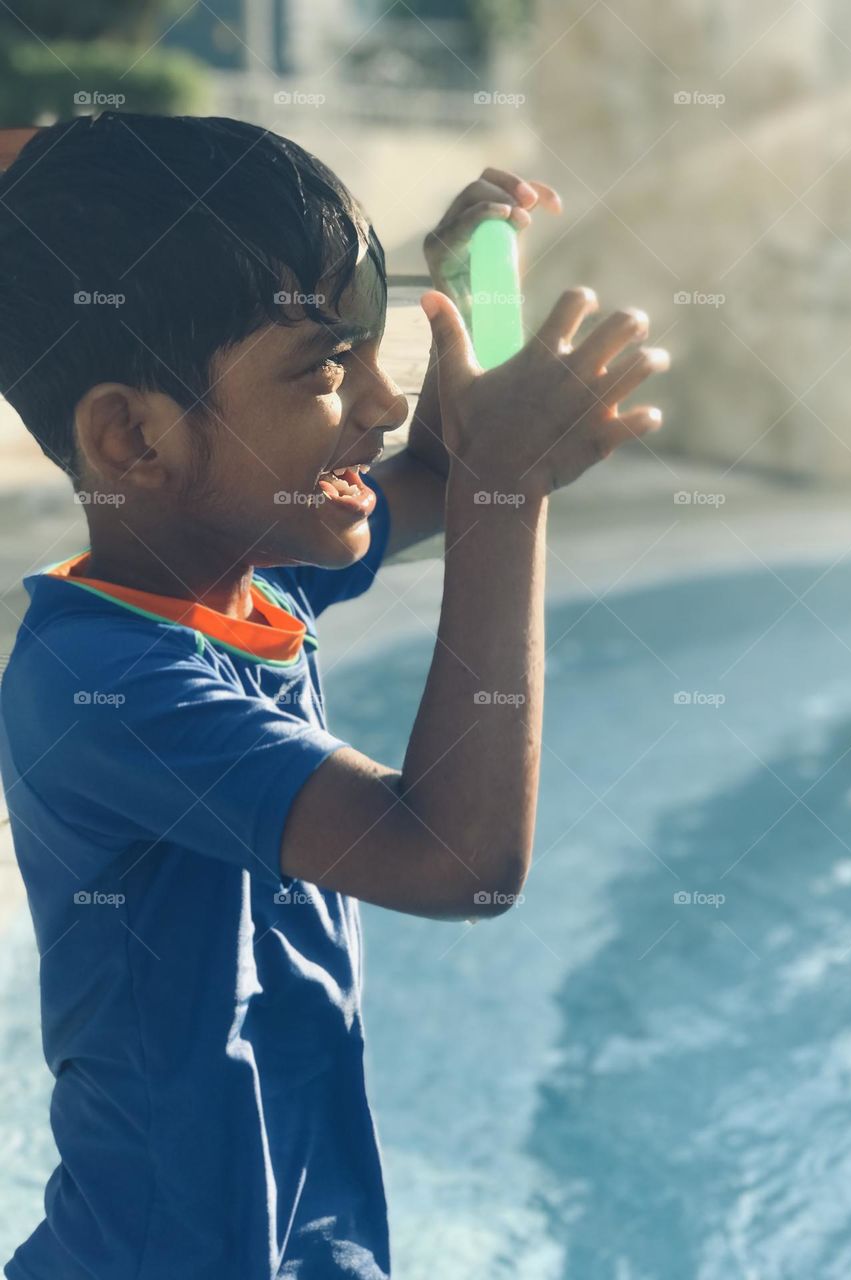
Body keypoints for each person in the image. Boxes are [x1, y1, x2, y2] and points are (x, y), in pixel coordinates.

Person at [0, 113, 669, 1278]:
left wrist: (473, 300)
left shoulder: (249, 574)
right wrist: (509, 489)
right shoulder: (101, 684)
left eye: (374, 348)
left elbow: (440, 469)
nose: (380, 400)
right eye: (324, 365)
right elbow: (457, 857)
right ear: (130, 436)